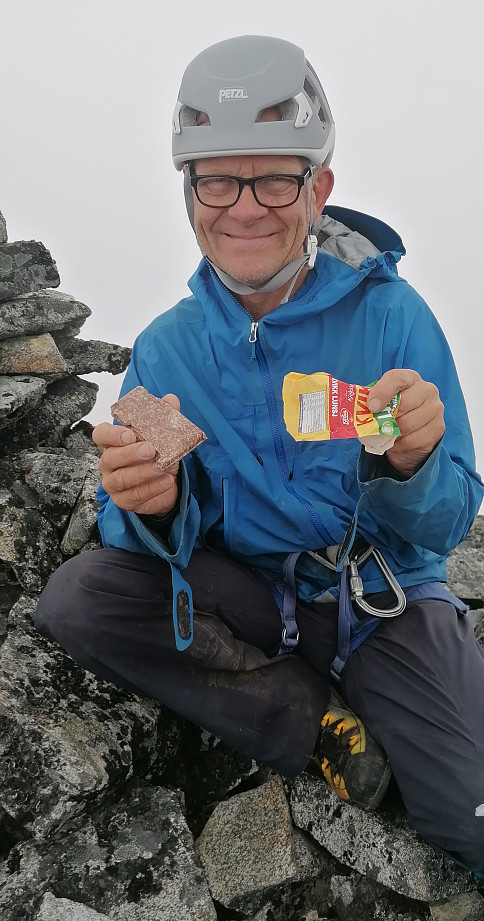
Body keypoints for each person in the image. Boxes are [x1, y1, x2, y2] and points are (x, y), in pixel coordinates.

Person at [35, 35, 484, 872]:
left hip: (382, 604)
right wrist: (151, 505)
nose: (244, 207)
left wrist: (410, 465)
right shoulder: (166, 351)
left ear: (319, 188)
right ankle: (313, 724)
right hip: (246, 594)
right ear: (188, 193)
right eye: (217, 178)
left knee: (476, 816)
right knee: (82, 598)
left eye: (276, 177)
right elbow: (139, 542)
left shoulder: (393, 318)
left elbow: (452, 518)